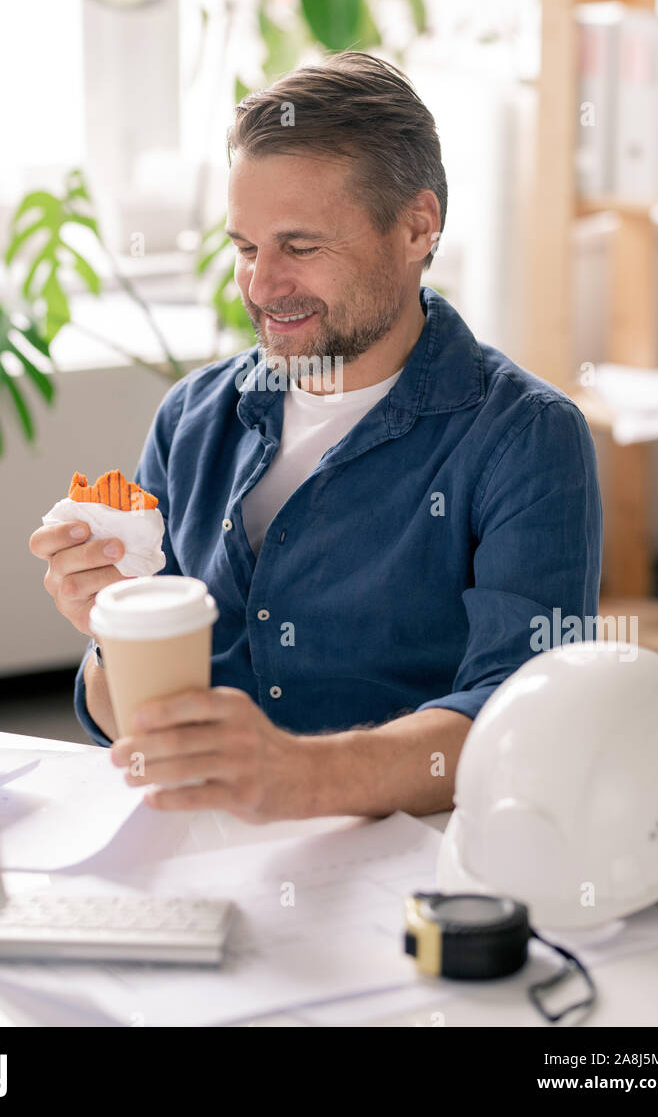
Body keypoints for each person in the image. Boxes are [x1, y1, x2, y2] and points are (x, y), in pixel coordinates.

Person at [30, 52, 602, 823]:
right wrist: (109, 630)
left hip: (405, 870)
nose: (262, 287)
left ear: (416, 228)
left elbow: (521, 714)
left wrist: (301, 777)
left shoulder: (525, 439)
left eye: (300, 247)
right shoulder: (194, 418)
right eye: (245, 248)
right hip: (200, 846)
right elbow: (129, 722)